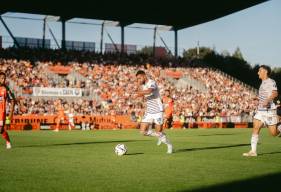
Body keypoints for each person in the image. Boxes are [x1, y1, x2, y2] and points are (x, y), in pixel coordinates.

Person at [243, 65, 281, 157]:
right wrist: (257, 98)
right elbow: (265, 95)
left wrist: (267, 101)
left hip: (269, 111)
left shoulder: (270, 81)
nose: (258, 72)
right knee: (255, 128)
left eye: (260, 70)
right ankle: (253, 151)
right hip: (261, 111)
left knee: (273, 133)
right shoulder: (262, 83)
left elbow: (275, 93)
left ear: (266, 71)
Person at [134, 70, 173, 154]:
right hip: (149, 111)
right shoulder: (143, 85)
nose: (139, 80)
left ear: (144, 76)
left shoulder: (152, 82)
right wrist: (138, 92)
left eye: (139, 78)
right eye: (137, 79)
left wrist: (138, 93)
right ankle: (160, 136)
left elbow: (149, 91)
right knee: (142, 132)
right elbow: (143, 94)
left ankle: (169, 145)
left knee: (159, 132)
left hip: (158, 111)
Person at [0, 72, 15, 149]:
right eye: (2, 78)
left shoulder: (6, 89)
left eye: (4, 78)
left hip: (1, 112)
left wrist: (10, 115)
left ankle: (8, 141)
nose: (3, 80)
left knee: (1, 129)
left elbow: (12, 101)